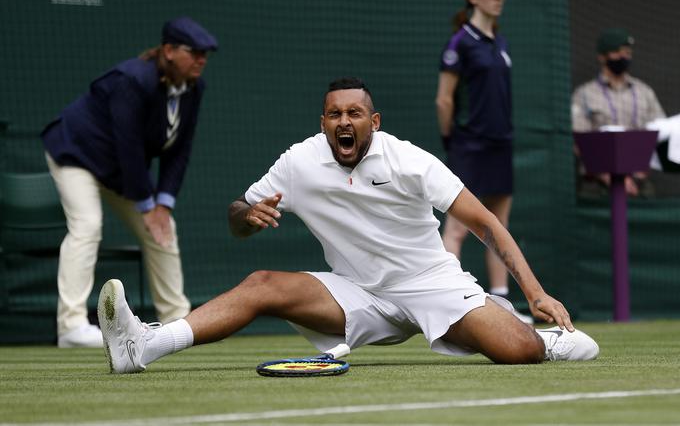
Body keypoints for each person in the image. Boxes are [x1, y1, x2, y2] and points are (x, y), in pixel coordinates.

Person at [97, 77, 598, 374]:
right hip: (356, 292)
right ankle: (144, 344)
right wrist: (247, 217)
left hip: (431, 283)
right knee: (261, 284)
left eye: (354, 113)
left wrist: (536, 292)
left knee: (516, 352)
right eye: (334, 113)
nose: (344, 121)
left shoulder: (409, 161)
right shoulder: (298, 162)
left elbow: (486, 223)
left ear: (373, 122)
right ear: (323, 123)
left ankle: (535, 335)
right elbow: (237, 217)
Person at [41, 16, 218, 348]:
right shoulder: (132, 80)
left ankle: (179, 322)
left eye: (205, 53)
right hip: (76, 154)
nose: (201, 59)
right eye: (194, 52)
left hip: (118, 169)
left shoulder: (195, 88)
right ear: (168, 50)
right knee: (88, 224)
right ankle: (71, 327)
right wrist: (147, 205)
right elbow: (129, 144)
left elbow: (179, 151)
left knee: (164, 229)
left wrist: (162, 204)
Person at [435, 0, 530, 321]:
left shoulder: (500, 42)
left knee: (498, 226)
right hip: (468, 147)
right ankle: (449, 303)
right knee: (458, 228)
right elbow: (444, 100)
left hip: (500, 145)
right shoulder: (459, 42)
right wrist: (452, 141)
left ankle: (503, 303)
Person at [571, 28, 666, 198]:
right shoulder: (584, 94)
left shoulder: (645, 92)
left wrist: (636, 178)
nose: (623, 57)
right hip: (597, 185)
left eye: (627, 52)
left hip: (639, 184)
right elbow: (578, 141)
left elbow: (661, 135)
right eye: (617, 52)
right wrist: (609, 177)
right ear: (602, 56)